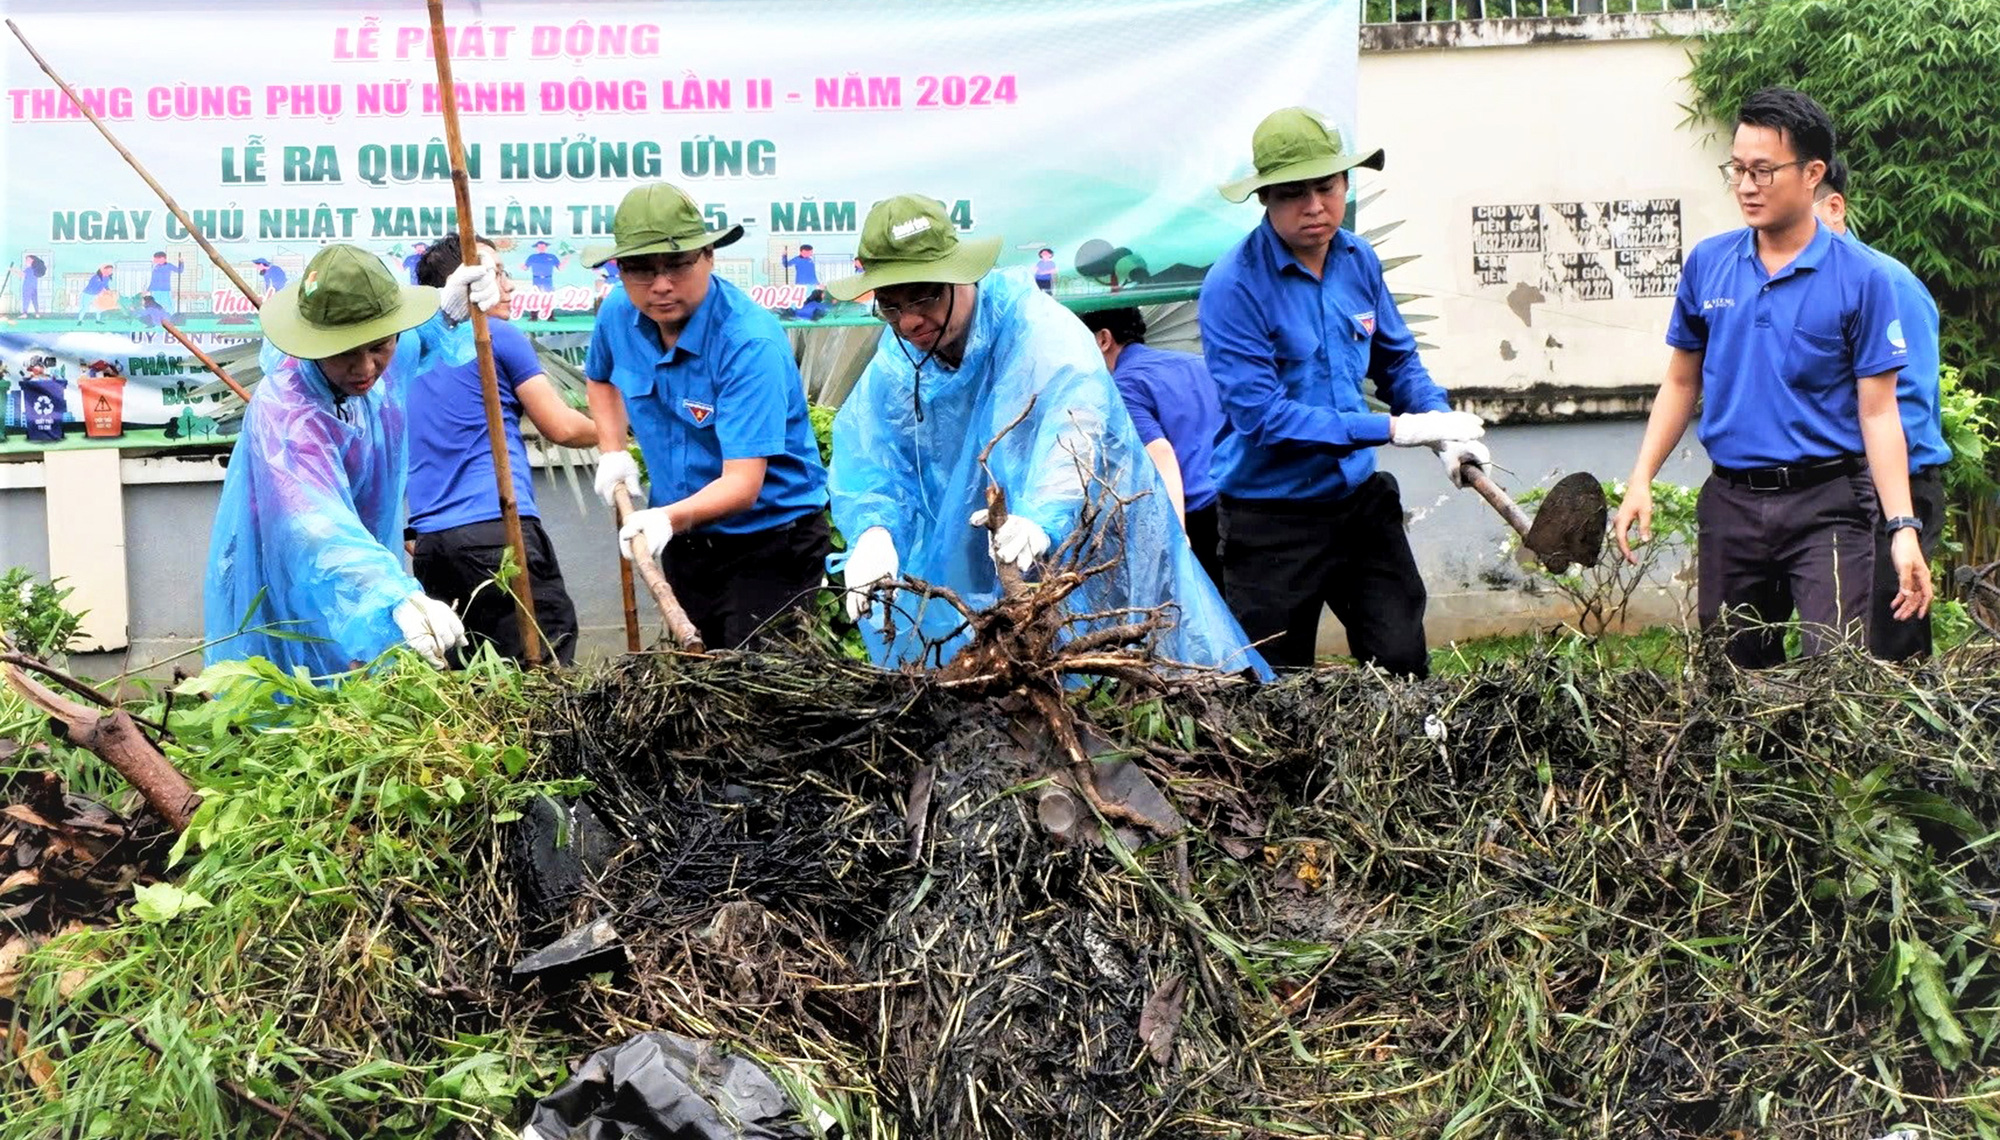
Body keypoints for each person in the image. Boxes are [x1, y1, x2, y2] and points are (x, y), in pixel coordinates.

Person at [824, 194, 1267, 677]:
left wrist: (1042, 517)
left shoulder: (1036, 331)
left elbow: (1074, 424)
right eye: (890, 305)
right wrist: (873, 531)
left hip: (1090, 551)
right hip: (974, 565)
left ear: (960, 275)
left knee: (1123, 679)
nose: (908, 322)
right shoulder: (898, 355)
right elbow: (874, 456)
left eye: (923, 297)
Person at [1612, 87, 1930, 668]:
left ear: (1813, 174)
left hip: (1828, 506)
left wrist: (1902, 527)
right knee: (1734, 679)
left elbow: (1879, 413)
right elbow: (1682, 382)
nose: (1746, 186)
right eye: (1737, 170)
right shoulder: (1709, 262)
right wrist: (1641, 478)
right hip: (1732, 503)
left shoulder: (1862, 278)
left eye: (1763, 170)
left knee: (1833, 672)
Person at [1201, 107, 1487, 676]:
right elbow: (1263, 417)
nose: (1314, 206)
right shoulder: (1232, 287)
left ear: (1345, 183)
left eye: (1326, 187)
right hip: (1269, 515)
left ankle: (1404, 760)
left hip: (1358, 503)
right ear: (1264, 199)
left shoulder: (1359, 259)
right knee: (1272, 688)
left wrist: (1441, 428)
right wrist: (1396, 429)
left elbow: (1397, 360)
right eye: (1292, 193)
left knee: (1403, 664)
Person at [204, 243, 498, 677]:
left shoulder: (378, 363)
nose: (366, 368)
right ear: (314, 342)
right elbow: (315, 528)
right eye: (346, 353)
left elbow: (416, 339)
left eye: (379, 346)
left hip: (363, 575)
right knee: (291, 697)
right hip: (292, 582)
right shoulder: (290, 412)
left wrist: (448, 310)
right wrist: (393, 597)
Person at [584, 183, 832, 650]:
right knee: (695, 684)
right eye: (640, 269)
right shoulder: (619, 312)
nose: (660, 285)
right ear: (620, 271)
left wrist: (664, 521)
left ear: (708, 257)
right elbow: (600, 378)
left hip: (770, 541)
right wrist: (612, 450)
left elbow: (743, 484)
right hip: (688, 539)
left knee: (756, 691)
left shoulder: (747, 342)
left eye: (677, 264)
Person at [408, 234, 599, 666]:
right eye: (497, 274)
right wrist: (622, 433)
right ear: (463, 284)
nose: (509, 285)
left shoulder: (405, 354)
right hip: (496, 531)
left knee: (468, 682)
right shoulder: (495, 336)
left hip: (431, 545)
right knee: (543, 670)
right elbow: (562, 427)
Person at [1812, 156, 1950, 660]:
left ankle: (1913, 734)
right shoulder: (1808, 287)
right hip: (1838, 488)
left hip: (1898, 486)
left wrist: (1885, 503)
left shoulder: (1887, 283)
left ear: (1834, 208)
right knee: (1838, 643)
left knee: (1889, 647)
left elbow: (1905, 406)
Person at [1079, 305, 1224, 587]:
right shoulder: (1196, 363)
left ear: (1103, 339)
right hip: (1241, 500)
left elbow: (1160, 452)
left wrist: (1176, 533)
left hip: (1200, 517)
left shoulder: (1123, 384)